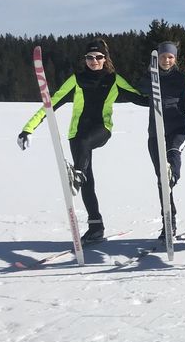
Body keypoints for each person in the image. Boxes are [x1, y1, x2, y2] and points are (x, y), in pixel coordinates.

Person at [17, 38, 146, 243]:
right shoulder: (76, 79)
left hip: (101, 129)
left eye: (98, 57)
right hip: (76, 134)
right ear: (85, 59)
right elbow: (52, 103)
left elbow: (139, 98)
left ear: (105, 58)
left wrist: (162, 98)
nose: (94, 60)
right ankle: (96, 226)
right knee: (87, 181)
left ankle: (77, 174)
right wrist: (28, 128)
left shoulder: (114, 79)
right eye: (89, 57)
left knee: (84, 153)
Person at [138, 41, 185, 238]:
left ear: (175, 59)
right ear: (157, 58)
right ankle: (169, 222)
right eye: (163, 57)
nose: (166, 60)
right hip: (155, 133)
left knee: (173, 152)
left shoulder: (179, 78)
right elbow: (140, 91)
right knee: (161, 181)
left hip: (178, 128)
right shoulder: (149, 77)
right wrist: (150, 78)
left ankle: (173, 175)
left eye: (170, 57)